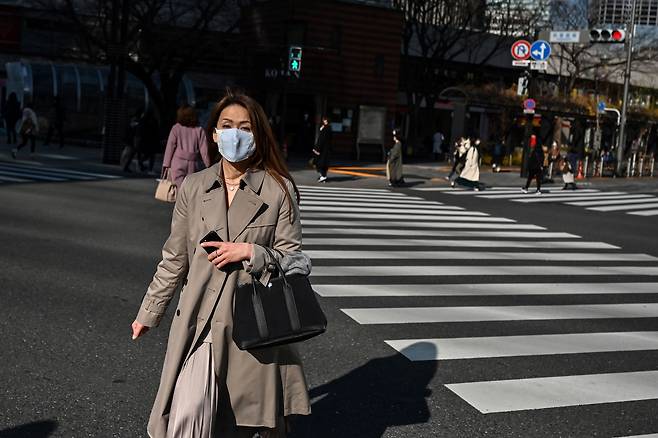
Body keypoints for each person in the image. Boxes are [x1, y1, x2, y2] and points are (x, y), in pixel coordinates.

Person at [131, 91, 311, 438]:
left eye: (245, 127)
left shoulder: (279, 190)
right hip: (201, 323)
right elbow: (175, 257)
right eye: (227, 126)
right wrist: (149, 312)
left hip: (253, 325)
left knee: (239, 425)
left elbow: (295, 262)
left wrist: (251, 253)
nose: (235, 134)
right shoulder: (194, 186)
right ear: (213, 133)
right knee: (188, 419)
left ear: (257, 135)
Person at [162, 105, 211, 187]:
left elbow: (170, 147)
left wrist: (166, 164)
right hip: (193, 164)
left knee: (178, 189)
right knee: (189, 190)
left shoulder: (176, 128)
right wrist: (208, 165)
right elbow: (204, 151)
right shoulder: (199, 130)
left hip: (177, 162)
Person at [313, 115, 332, 183]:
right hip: (326, 149)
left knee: (320, 163)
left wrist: (317, 148)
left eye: (324, 120)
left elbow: (321, 139)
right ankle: (323, 176)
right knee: (324, 163)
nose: (323, 121)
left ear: (325, 120)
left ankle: (323, 176)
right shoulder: (329, 128)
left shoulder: (325, 128)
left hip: (322, 149)